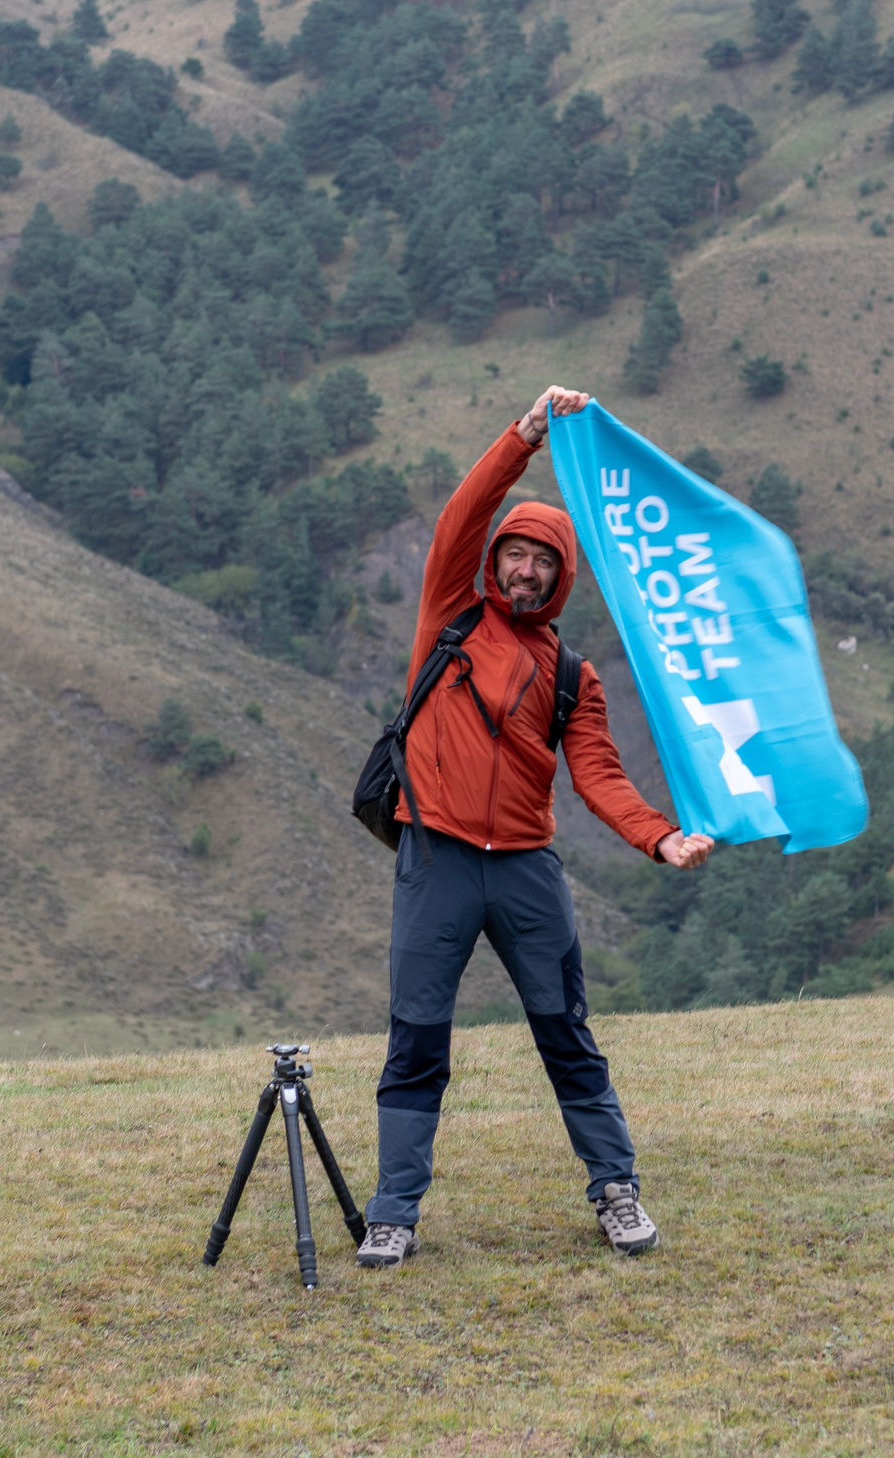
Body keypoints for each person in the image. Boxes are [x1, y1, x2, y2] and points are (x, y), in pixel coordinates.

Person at [357, 385, 715, 1269]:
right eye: (513, 553)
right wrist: (522, 437)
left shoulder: (572, 677)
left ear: (561, 576)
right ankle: (394, 1211)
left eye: (540, 561)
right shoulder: (449, 612)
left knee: (567, 1031)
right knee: (418, 1036)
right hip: (435, 858)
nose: (523, 570)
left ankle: (616, 1191)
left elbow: (597, 772)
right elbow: (460, 515)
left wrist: (658, 836)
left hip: (524, 871)